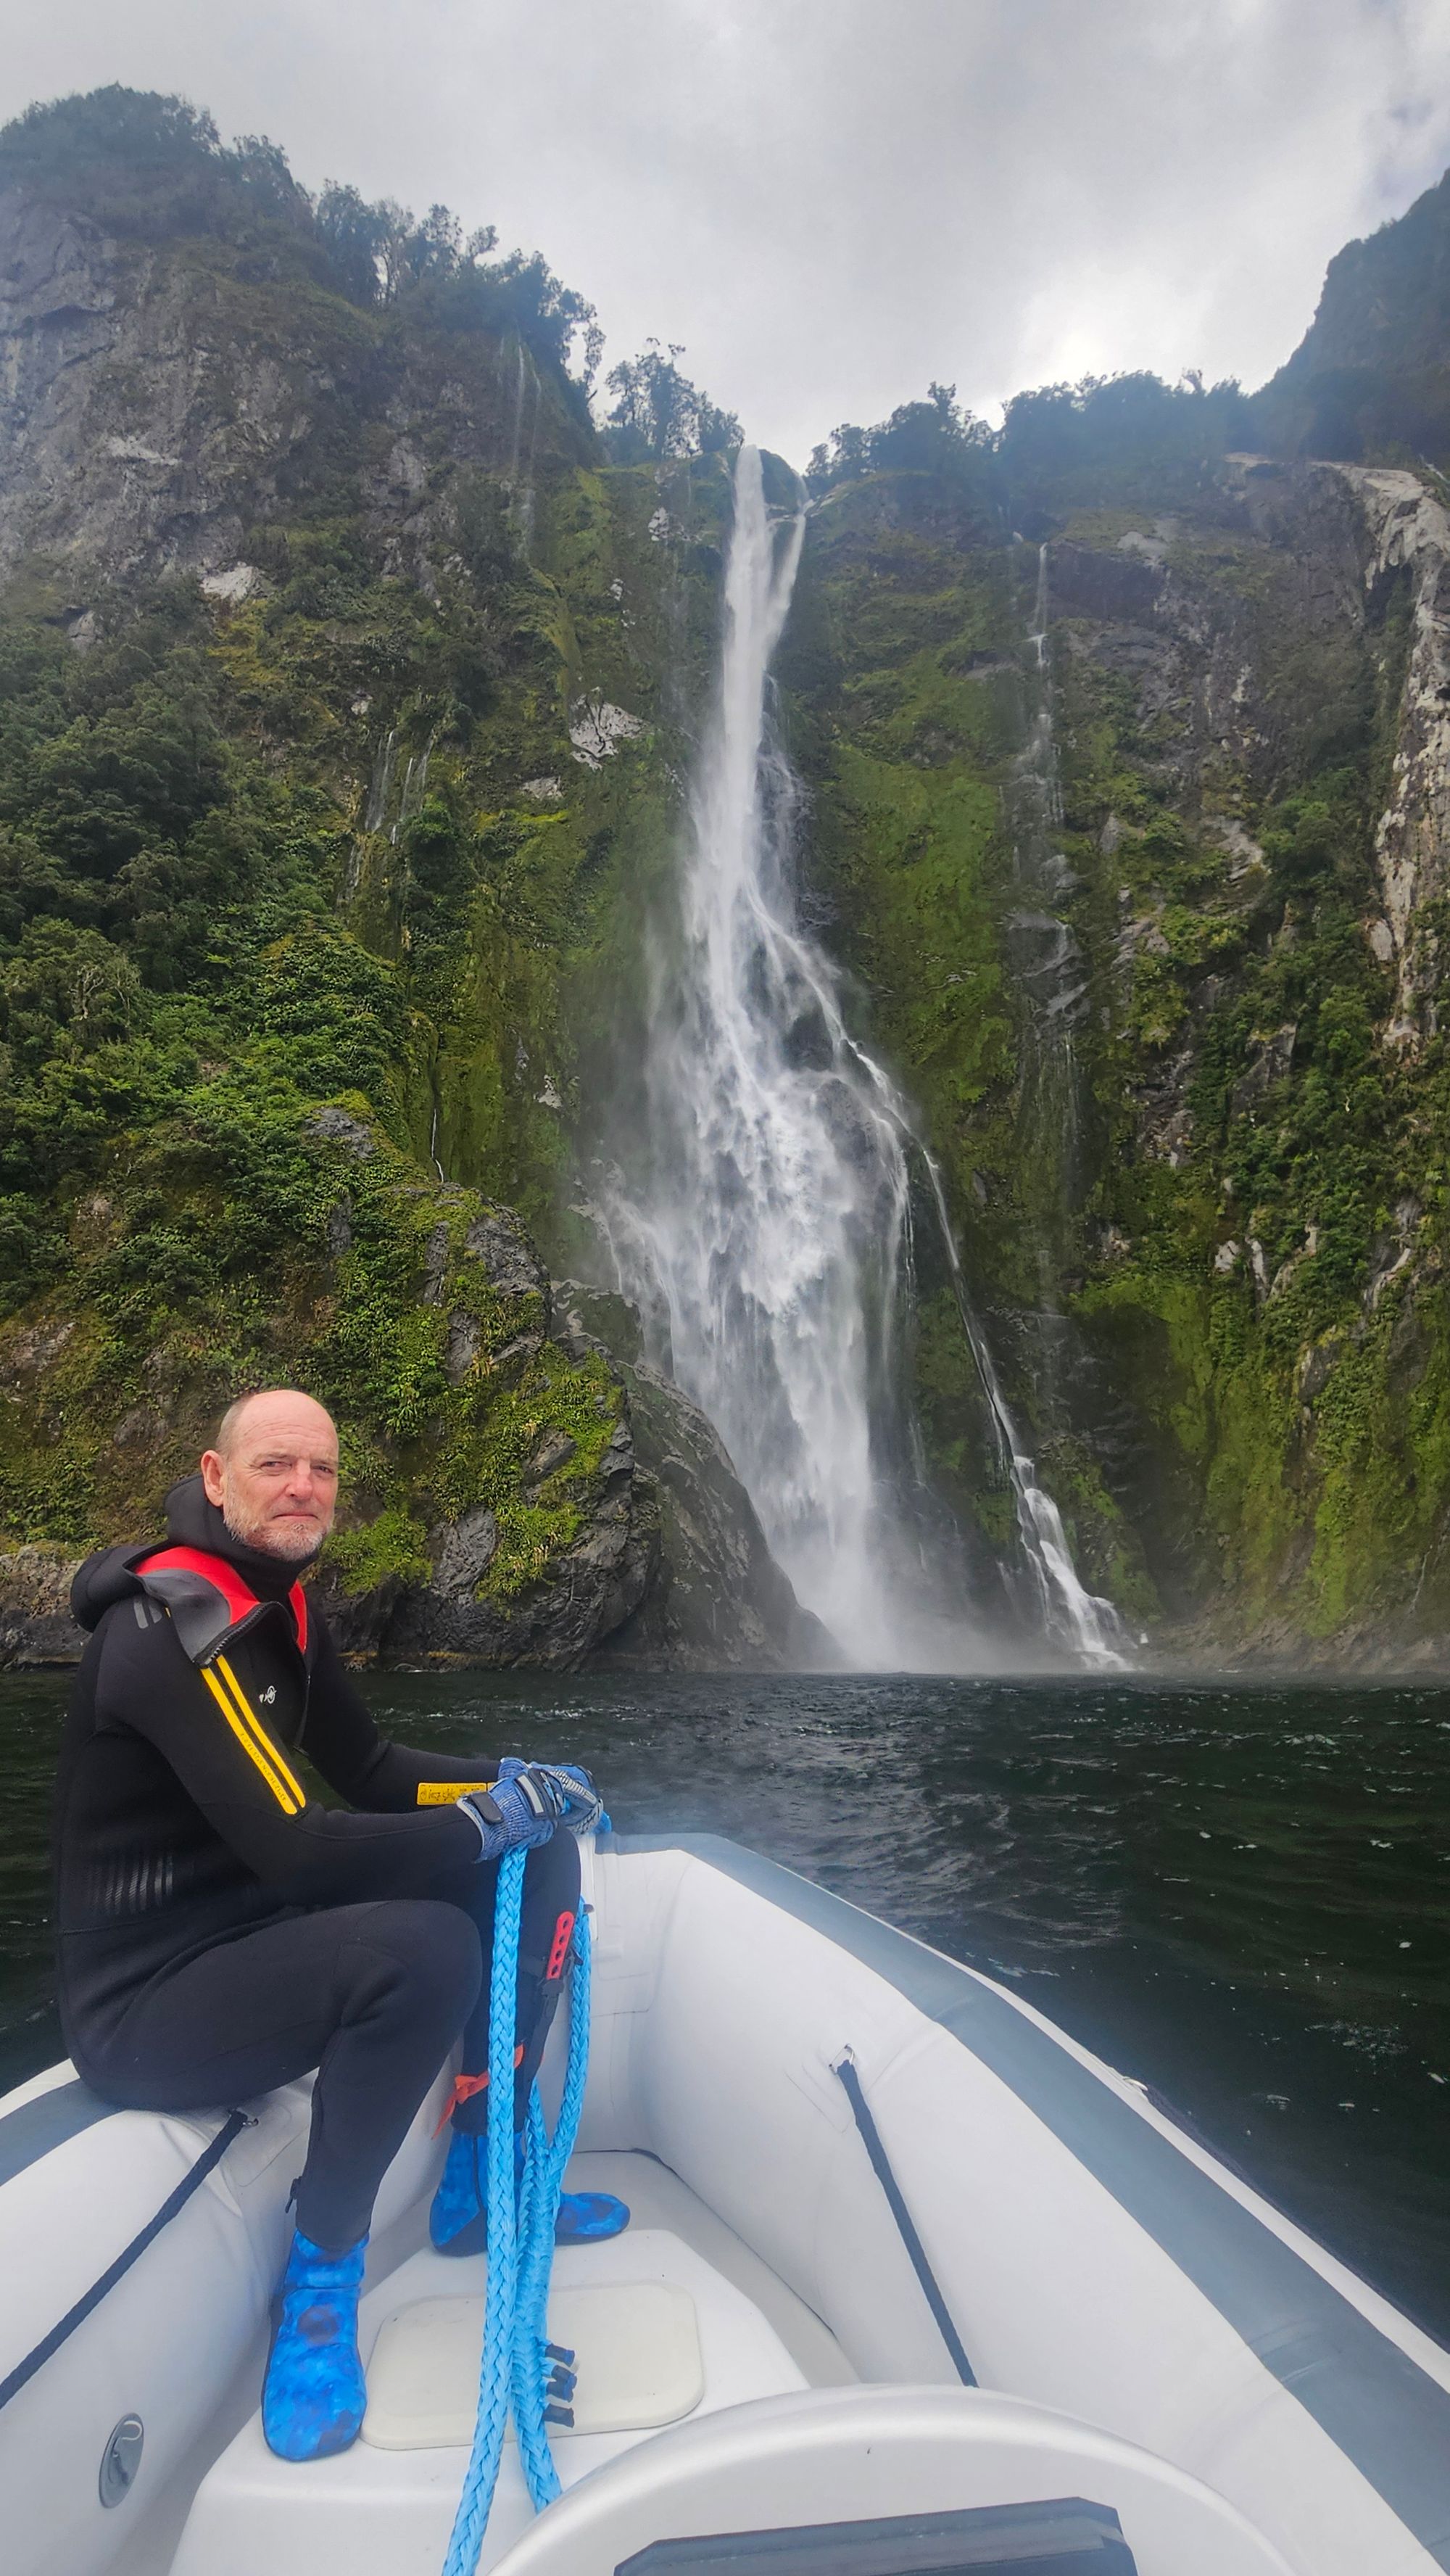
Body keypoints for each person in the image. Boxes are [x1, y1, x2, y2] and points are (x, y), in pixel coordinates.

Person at [54, 1387, 627, 2464]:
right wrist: (487, 1819)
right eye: (274, 1466)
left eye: (319, 1469)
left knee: (539, 1846)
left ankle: (476, 2180)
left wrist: (519, 1787)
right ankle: (319, 2286)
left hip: (248, 1928)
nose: (302, 1487)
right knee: (422, 1948)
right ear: (216, 1480)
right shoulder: (173, 1631)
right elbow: (304, 1846)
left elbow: (367, 1773)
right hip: (146, 2000)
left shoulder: (283, 1607)